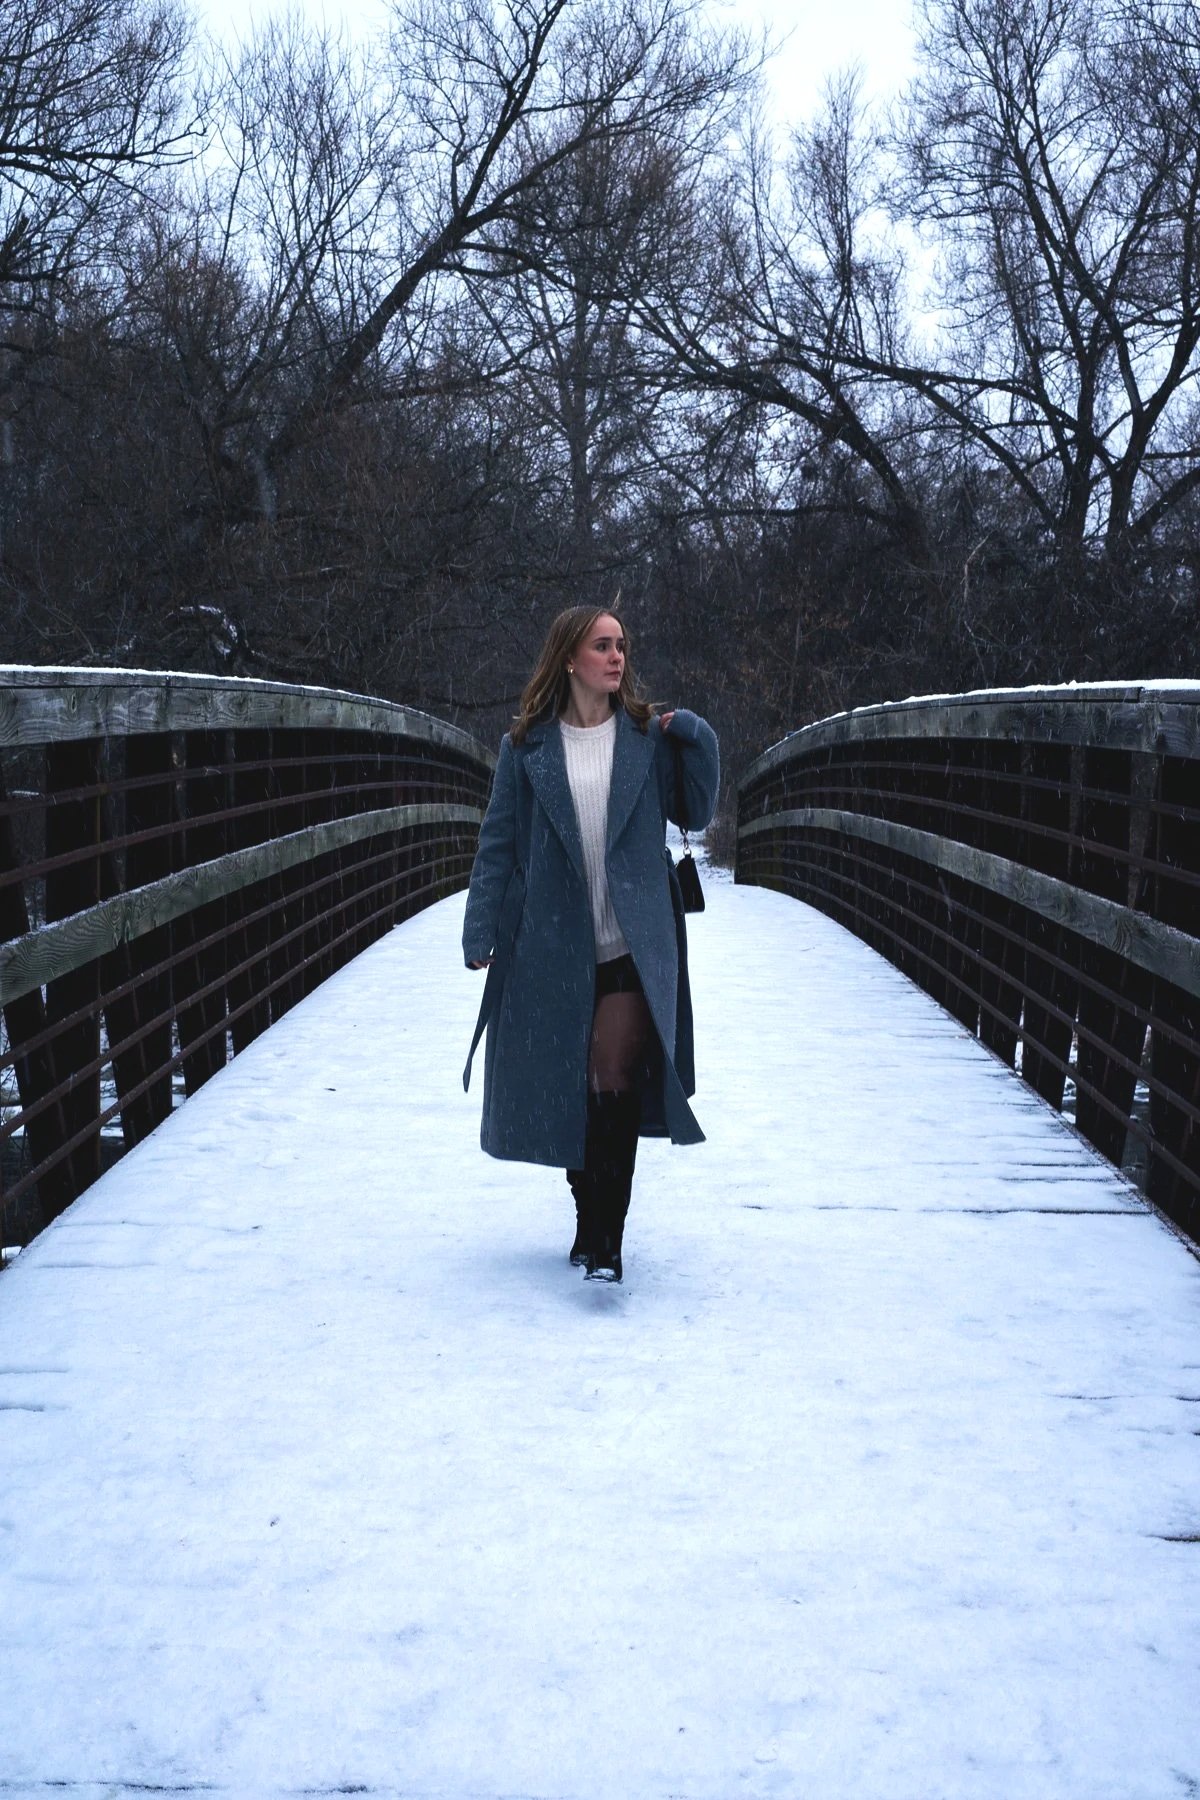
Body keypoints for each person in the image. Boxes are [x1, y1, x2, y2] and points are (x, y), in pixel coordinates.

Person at [461, 604, 720, 1283]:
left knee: (612, 1076)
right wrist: (479, 928)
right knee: (575, 1087)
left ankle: (608, 1242)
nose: (616, 657)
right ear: (569, 658)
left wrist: (695, 735)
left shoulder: (646, 738)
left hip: (633, 940)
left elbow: (696, 809)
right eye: (602, 646)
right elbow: (497, 845)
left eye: (621, 645)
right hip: (553, 945)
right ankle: (586, 1217)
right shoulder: (526, 748)